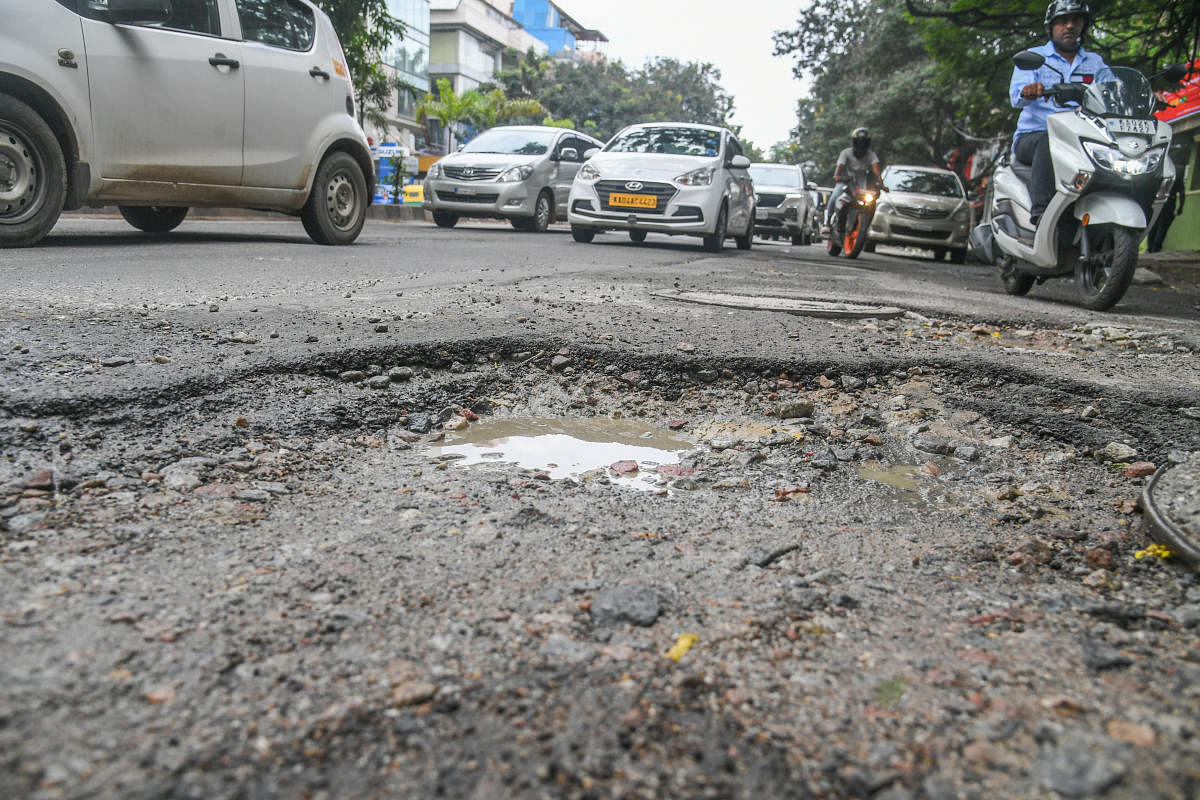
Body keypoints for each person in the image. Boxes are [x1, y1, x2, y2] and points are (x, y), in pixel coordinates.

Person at [1009, 0, 1111, 226]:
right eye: (1062, 21)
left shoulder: (1095, 63)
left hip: (1081, 137)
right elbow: (1016, 98)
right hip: (1034, 136)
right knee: (1049, 139)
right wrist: (1028, 91)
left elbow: (1113, 92)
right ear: (1051, 27)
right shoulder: (1034, 58)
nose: (1070, 26)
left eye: (1076, 20)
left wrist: (1147, 96)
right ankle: (1042, 213)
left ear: (1083, 26)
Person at [825, 127, 882, 227]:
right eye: (859, 142)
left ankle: (869, 226)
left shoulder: (871, 155)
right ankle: (827, 221)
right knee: (835, 195)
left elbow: (876, 170)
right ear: (854, 142)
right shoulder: (846, 153)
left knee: (874, 201)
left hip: (862, 186)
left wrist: (881, 184)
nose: (861, 145)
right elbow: (840, 167)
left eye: (864, 142)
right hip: (846, 183)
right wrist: (837, 176)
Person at [1147, 171, 1186, 252]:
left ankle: (1151, 248)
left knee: (1154, 225)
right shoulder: (1177, 175)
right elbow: (1182, 192)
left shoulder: (1160, 172)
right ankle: (1155, 248)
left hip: (1157, 201)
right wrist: (1181, 207)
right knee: (1162, 227)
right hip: (1169, 202)